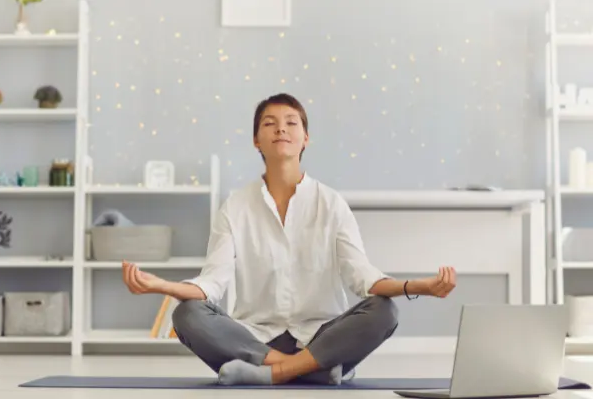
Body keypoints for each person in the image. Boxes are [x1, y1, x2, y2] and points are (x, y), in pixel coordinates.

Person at [121, 93, 458, 386]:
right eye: (269, 123)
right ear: (256, 140)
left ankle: (271, 374)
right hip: (254, 338)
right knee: (186, 315)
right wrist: (162, 286)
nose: (281, 128)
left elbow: (364, 278)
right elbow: (212, 283)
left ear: (306, 138)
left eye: (291, 122)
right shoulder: (235, 207)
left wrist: (420, 286)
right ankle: (314, 371)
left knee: (385, 311)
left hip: (322, 335)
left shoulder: (331, 203)